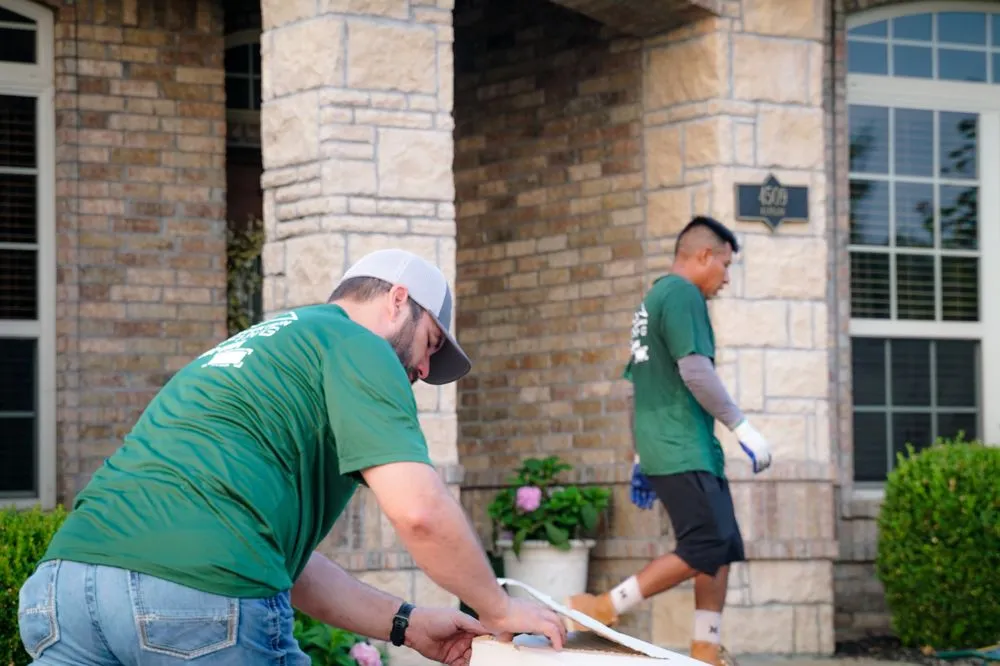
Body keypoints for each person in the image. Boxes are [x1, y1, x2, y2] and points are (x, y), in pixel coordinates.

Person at [18, 248, 567, 666]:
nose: (425, 369)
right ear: (398, 299)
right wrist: (498, 609)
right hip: (194, 602)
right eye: (432, 342)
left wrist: (408, 624)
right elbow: (419, 511)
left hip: (63, 595)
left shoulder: (260, 347)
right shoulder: (359, 346)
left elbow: (284, 563)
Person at [566, 216, 774, 666]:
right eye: (725, 264)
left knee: (722, 544)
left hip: (676, 445)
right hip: (682, 446)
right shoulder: (682, 294)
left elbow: (636, 386)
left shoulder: (653, 300)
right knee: (703, 545)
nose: (726, 277)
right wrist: (743, 427)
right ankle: (602, 607)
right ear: (703, 256)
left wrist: (639, 454)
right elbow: (695, 371)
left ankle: (705, 648)